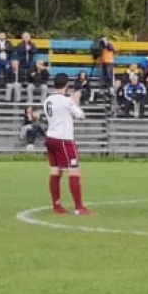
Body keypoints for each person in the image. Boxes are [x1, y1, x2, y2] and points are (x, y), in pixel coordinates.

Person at [43, 74, 90, 215]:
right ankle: (78, 207)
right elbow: (80, 115)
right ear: (66, 86)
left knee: (55, 171)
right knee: (74, 170)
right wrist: (75, 102)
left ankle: (56, 205)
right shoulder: (66, 100)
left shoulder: (48, 100)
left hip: (50, 136)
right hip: (63, 139)